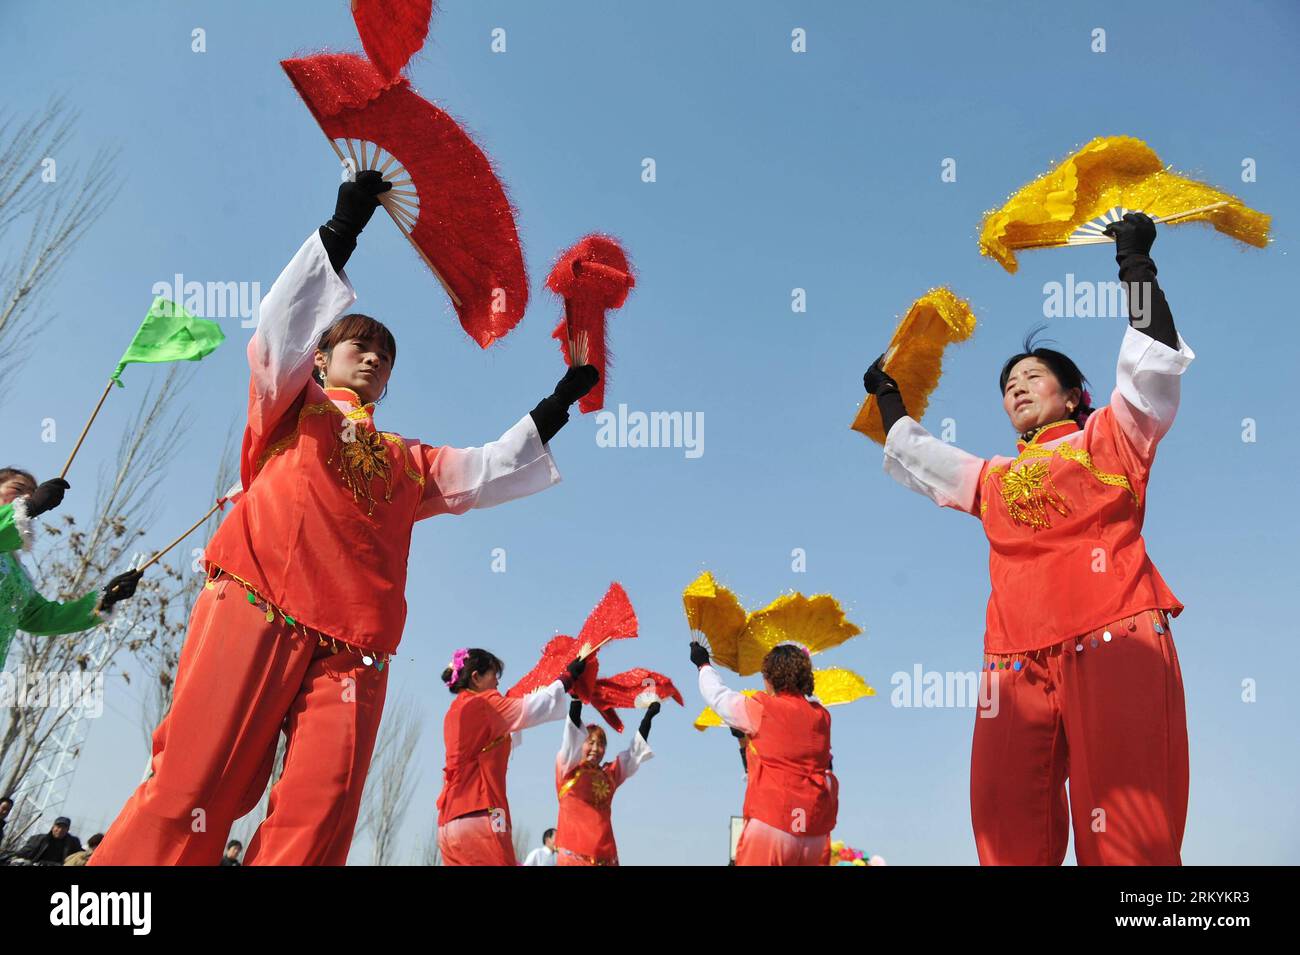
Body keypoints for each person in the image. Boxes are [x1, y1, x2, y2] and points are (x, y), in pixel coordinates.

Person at [92, 172, 598, 867]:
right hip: (258, 599)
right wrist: (342, 230)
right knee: (197, 783)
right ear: (322, 358)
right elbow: (276, 336)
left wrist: (560, 398)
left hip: (354, 649)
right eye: (358, 343)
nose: (373, 355)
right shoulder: (291, 405)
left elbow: (487, 469)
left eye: (385, 354)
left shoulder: (407, 462)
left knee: (320, 819)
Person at [863, 213, 1191, 865]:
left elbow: (1152, 365)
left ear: (1074, 394)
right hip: (1013, 664)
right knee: (1005, 827)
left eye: (1032, 376)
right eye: (1008, 384)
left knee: (1128, 838)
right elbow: (922, 458)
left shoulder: (1111, 437)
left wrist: (1136, 267)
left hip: (1114, 635)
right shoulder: (993, 477)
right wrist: (889, 399)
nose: (1015, 386)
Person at [691, 641, 837, 866]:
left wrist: (703, 665)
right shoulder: (822, 718)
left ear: (771, 677)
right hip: (815, 832)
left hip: (772, 824)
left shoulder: (762, 709)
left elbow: (718, 696)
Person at [437, 647, 586, 866]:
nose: (497, 683)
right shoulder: (484, 704)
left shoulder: (454, 712)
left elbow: (503, 736)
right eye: (494, 676)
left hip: (448, 824)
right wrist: (566, 678)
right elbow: (534, 708)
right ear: (476, 678)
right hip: (482, 813)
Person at [0, 468, 141, 670]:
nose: (26, 496)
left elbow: (40, 617)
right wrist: (29, 506)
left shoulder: (17, 574)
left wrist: (104, 598)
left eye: (32, 493)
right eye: (17, 489)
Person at [552, 697, 658, 866]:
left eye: (600, 744)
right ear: (580, 744)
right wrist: (577, 698)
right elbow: (571, 736)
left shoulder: (609, 775)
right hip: (573, 858)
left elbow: (633, 755)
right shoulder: (568, 771)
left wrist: (648, 719)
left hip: (606, 858)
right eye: (590, 743)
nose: (595, 749)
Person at [16, 816, 82, 865]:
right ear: (53, 827)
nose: (60, 830)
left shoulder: (73, 843)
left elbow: (80, 856)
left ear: (68, 830)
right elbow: (24, 852)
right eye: (58, 827)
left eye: (64, 828)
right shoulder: (39, 839)